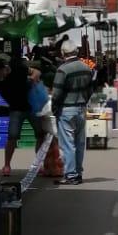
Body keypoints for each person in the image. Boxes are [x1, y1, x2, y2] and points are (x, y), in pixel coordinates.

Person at [51, 41, 95, 182]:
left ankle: (70, 175)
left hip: (66, 109)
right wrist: (84, 100)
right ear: (76, 52)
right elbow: (90, 89)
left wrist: (54, 108)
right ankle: (78, 172)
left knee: (67, 144)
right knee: (79, 142)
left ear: (63, 53)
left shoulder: (63, 70)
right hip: (81, 108)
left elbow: (56, 93)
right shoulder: (86, 68)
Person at [27, 63, 55, 144]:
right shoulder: (37, 85)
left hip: (41, 115)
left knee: (42, 137)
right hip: (42, 115)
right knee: (42, 137)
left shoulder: (40, 85)